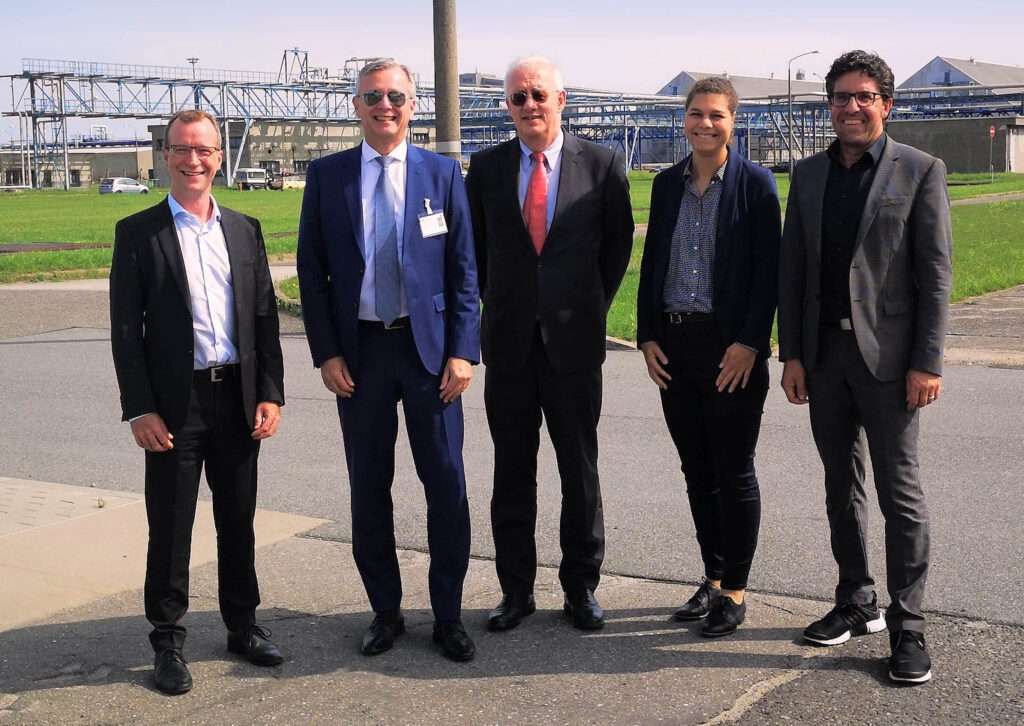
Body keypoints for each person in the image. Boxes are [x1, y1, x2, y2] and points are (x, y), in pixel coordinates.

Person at [296, 59, 480, 662]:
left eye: (396, 96)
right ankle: (385, 611)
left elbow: (463, 270)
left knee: (446, 484)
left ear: (413, 103)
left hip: (430, 356)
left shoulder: (443, 173)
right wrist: (326, 352)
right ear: (356, 105)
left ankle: (448, 616)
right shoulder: (328, 176)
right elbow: (312, 273)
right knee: (369, 487)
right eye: (373, 96)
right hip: (362, 354)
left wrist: (462, 350)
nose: (385, 105)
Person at [778, 50, 953, 684]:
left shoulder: (919, 170)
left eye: (864, 96)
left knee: (898, 493)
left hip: (890, 363)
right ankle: (856, 600)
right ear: (829, 104)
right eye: (841, 96)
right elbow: (792, 271)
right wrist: (791, 353)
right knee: (838, 486)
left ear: (885, 103)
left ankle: (909, 627)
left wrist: (927, 361)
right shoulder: (808, 174)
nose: (852, 106)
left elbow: (936, 276)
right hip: (823, 358)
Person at [110, 109, 286, 695]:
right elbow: (125, 332)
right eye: (183, 150)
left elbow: (264, 318)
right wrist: (140, 407)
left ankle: (243, 625)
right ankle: (167, 640)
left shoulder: (244, 228)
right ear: (166, 155)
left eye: (205, 150)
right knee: (172, 525)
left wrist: (269, 393)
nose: (194, 161)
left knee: (238, 521)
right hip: (174, 405)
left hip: (235, 395)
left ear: (218, 156)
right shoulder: (138, 233)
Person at [466, 56, 634, 632]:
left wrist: (586, 307)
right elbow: (479, 254)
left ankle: (581, 588)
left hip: (573, 347)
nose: (529, 105)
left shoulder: (604, 165)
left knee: (578, 471)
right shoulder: (485, 169)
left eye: (539, 94)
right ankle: (515, 591)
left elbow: (615, 251)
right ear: (508, 107)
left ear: (562, 99)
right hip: (509, 346)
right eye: (518, 98)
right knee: (512, 473)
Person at [636, 77, 781, 638]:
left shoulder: (755, 185)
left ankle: (736, 589)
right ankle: (712, 577)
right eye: (696, 114)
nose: (704, 124)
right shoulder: (669, 184)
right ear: (684, 120)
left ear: (732, 121)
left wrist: (749, 343)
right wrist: (648, 334)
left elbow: (768, 273)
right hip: (676, 347)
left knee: (733, 469)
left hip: (731, 351)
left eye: (716, 115)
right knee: (697, 471)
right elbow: (653, 264)